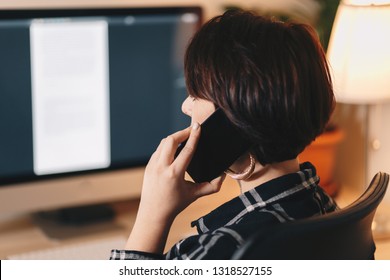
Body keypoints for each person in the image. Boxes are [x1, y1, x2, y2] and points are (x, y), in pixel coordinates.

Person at [110, 9, 338, 260]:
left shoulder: (226, 250)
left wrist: (152, 214)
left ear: (234, 119)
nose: (185, 106)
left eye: (196, 95)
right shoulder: (327, 208)